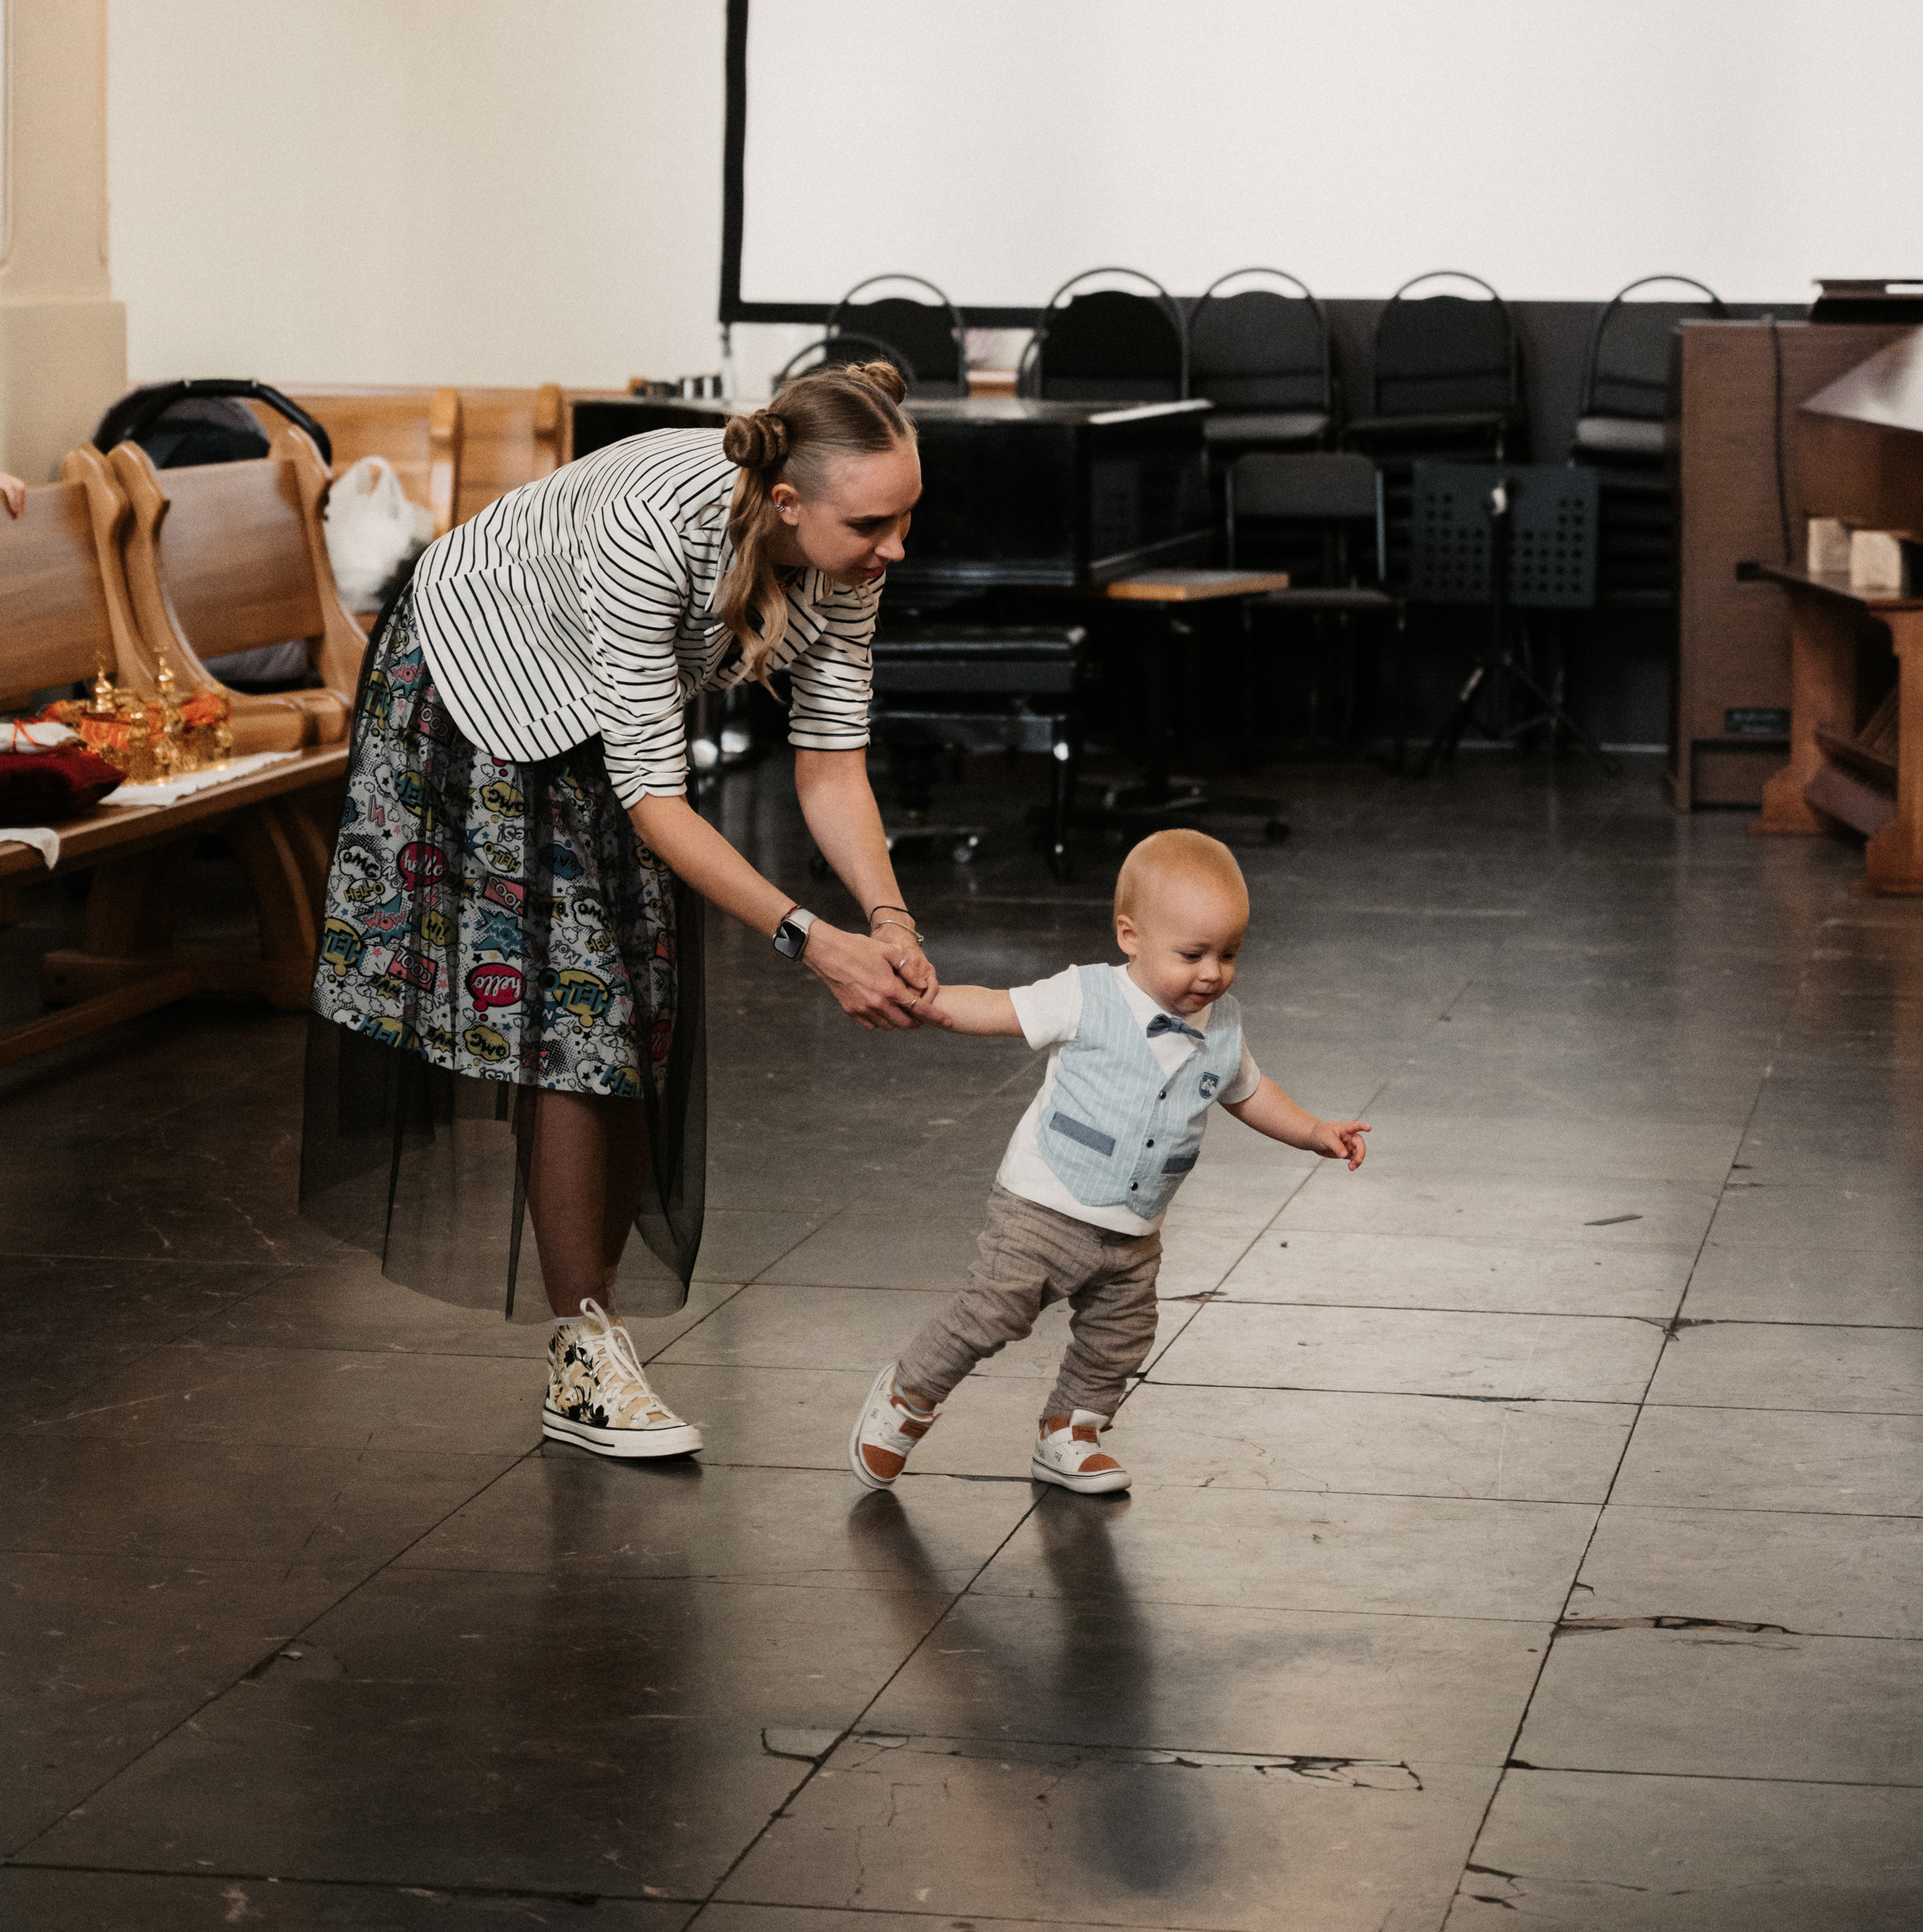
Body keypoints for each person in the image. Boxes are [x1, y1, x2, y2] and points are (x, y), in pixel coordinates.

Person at [301, 359, 944, 1462]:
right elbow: (656, 800)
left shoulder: (847, 552)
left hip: (600, 708)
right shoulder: (653, 526)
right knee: (579, 1015)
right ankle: (582, 1357)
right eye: (872, 525)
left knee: (637, 1003)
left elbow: (832, 762)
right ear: (787, 501)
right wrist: (809, 940)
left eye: (905, 518)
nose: (895, 547)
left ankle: (590, 1341)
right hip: (482, 684)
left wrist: (889, 920)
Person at [849, 827, 1369, 1496]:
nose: (1211, 973)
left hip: (1135, 1223)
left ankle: (1070, 1432)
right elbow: (1001, 1008)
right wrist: (928, 1003)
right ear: (1130, 936)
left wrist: (1313, 1131)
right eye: (1191, 954)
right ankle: (909, 1395)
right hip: (1044, 1199)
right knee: (994, 1311)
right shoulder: (1085, 994)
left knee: (1120, 1335)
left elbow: (1248, 1092)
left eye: (1228, 954)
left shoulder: (1222, 1022)